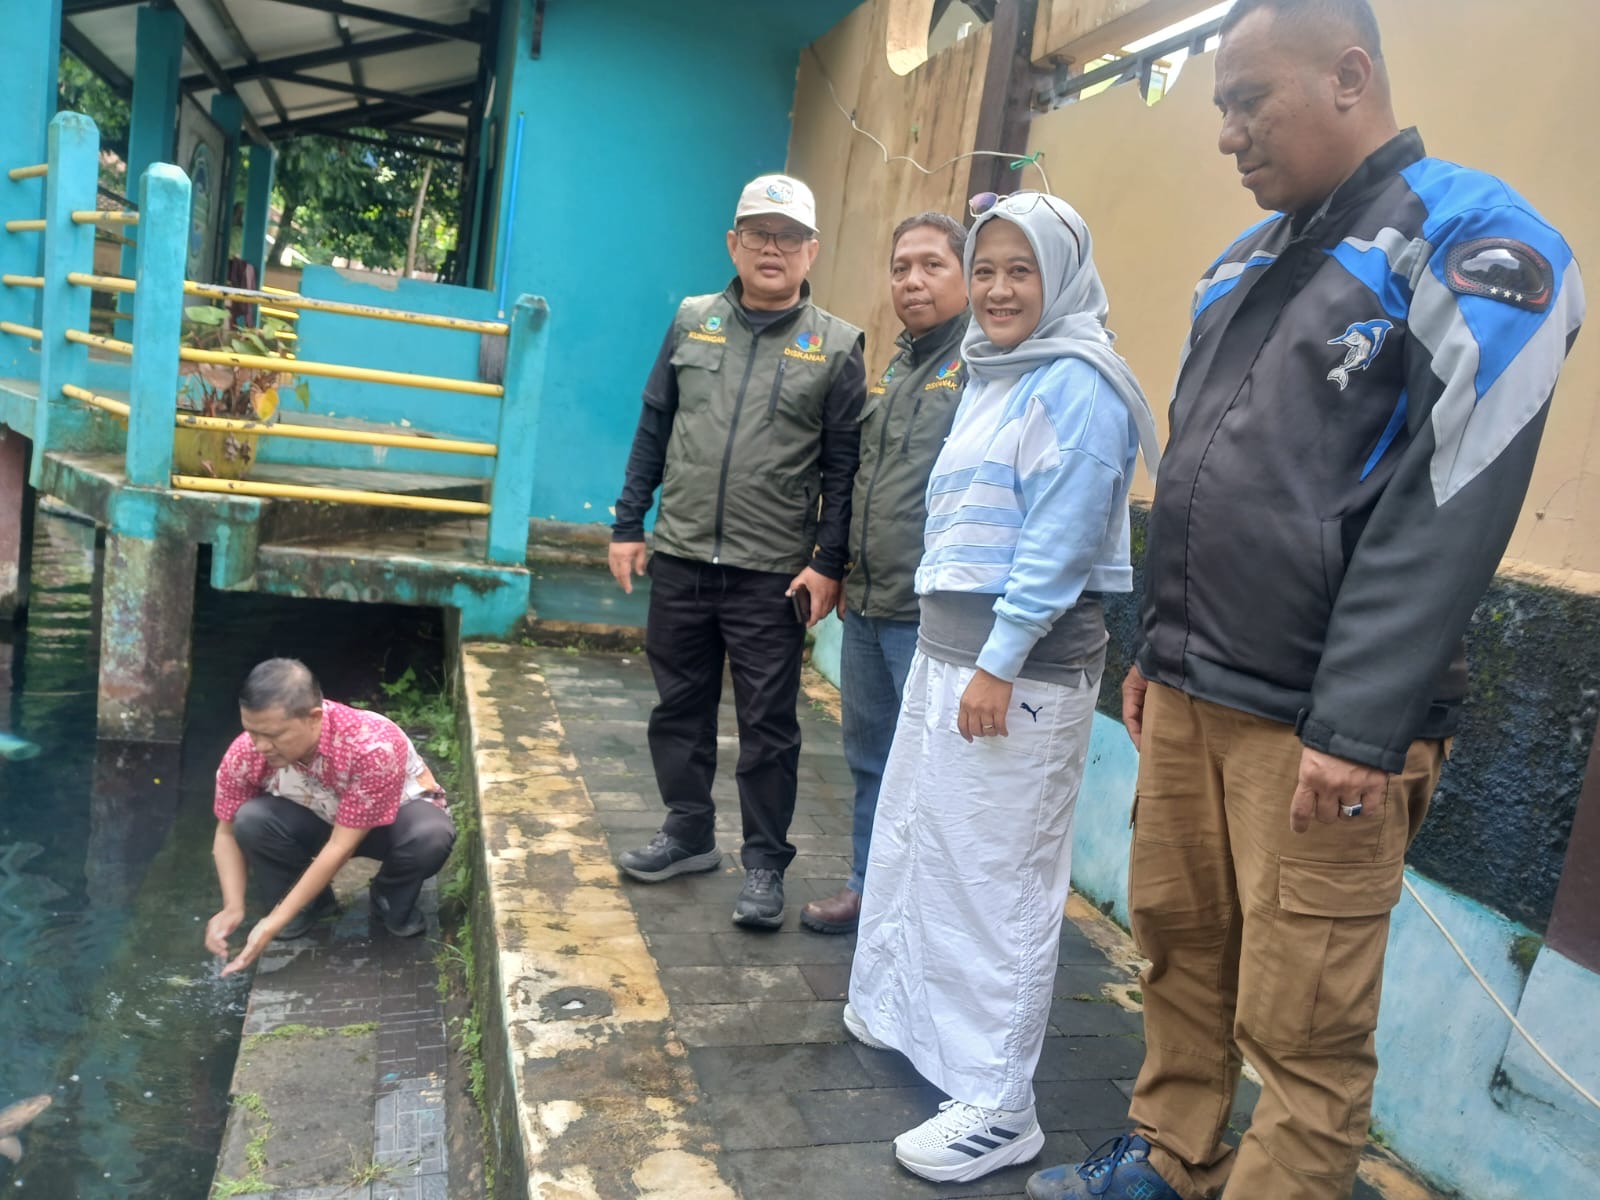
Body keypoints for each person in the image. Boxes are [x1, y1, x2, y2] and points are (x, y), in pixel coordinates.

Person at [1025, 2, 1585, 1198]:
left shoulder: (1474, 241)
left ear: (1347, 75)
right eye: (1220, 107)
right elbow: (1202, 475)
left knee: (1304, 1025)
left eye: (1247, 102)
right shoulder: (1243, 263)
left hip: (1320, 731)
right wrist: (1156, 650)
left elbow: (1451, 500)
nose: (1226, 135)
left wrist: (1357, 724)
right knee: (1178, 951)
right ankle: (1170, 1159)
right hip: (1194, 689)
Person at [846, 191, 1162, 1184]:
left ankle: (998, 1105)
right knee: (923, 849)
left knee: (999, 884)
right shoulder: (997, 374)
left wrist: (998, 660)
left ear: (1060, 277)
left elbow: (1059, 539)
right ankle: (910, 1019)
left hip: (1013, 670)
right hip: (950, 654)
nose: (995, 290)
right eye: (984, 270)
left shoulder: (1081, 383)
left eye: (1019, 271)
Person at [609, 174, 866, 929]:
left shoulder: (837, 345)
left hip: (772, 573)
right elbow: (654, 424)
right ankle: (688, 832)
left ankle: (764, 865)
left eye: (789, 237)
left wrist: (828, 561)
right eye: (758, 233)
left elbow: (844, 469)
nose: (772, 249)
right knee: (678, 709)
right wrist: (628, 523)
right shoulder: (693, 322)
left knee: (769, 726)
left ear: (812, 250)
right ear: (734, 243)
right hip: (682, 555)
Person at [800, 211, 970, 936]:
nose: (912, 281)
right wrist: (839, 567)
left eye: (932, 264)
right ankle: (868, 889)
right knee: (871, 761)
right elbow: (866, 477)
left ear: (967, 274)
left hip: (931, 616)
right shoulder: (900, 365)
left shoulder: (983, 363)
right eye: (901, 267)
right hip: (869, 604)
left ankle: (925, 917)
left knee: (935, 774)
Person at [204, 658, 456, 976]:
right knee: (251, 819)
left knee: (430, 836)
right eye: (251, 731)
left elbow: (340, 847)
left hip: (389, 824)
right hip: (321, 820)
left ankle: (388, 896)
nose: (260, 745)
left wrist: (272, 921)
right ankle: (312, 904)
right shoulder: (246, 752)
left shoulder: (371, 746)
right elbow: (226, 833)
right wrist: (233, 906)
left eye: (273, 735)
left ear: (314, 718)